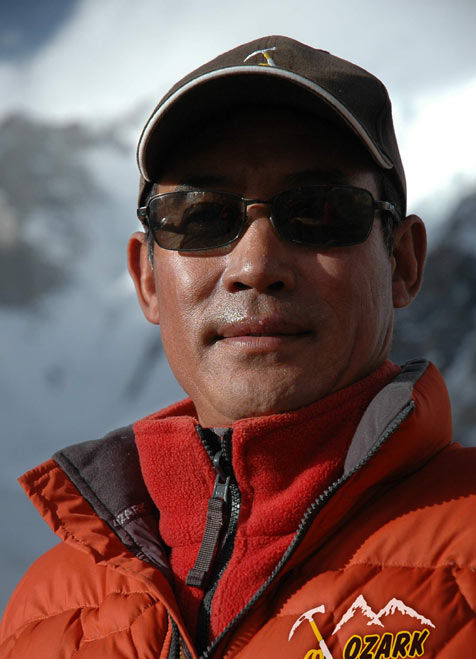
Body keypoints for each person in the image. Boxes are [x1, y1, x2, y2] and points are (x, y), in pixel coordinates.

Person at [1, 35, 475, 659]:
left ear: (404, 263)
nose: (255, 265)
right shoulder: (43, 614)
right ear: (147, 279)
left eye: (319, 211)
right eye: (200, 216)